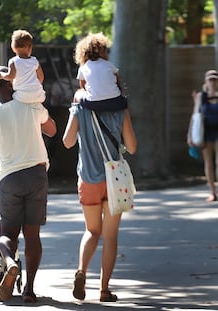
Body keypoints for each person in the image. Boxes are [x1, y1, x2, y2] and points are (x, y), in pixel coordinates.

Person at [0, 65, 57, 303]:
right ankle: (28, 289)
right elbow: (52, 129)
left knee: (7, 234)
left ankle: (9, 262)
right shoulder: (31, 106)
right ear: (14, 81)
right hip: (37, 174)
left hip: (9, 179)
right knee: (33, 235)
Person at [62, 88, 137, 302]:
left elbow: (67, 142)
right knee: (110, 236)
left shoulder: (79, 109)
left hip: (88, 179)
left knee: (92, 231)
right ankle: (104, 290)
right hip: (115, 181)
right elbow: (132, 147)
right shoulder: (120, 109)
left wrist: (75, 113)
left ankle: (81, 271)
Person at [74, 32, 127, 112]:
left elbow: (83, 86)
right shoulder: (109, 64)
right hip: (116, 102)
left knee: (78, 94)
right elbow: (118, 81)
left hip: (94, 103)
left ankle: (77, 117)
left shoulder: (84, 67)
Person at [187, 69, 218, 202]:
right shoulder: (201, 96)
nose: (213, 81)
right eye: (210, 79)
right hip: (205, 133)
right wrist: (189, 135)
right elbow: (195, 116)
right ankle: (212, 192)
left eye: (215, 79)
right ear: (206, 81)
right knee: (208, 163)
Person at [0, 29, 46, 104]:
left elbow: (10, 76)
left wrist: (1, 75)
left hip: (22, 97)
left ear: (13, 48)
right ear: (30, 48)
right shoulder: (34, 61)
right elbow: (41, 78)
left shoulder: (14, 61)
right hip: (38, 95)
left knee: (13, 97)